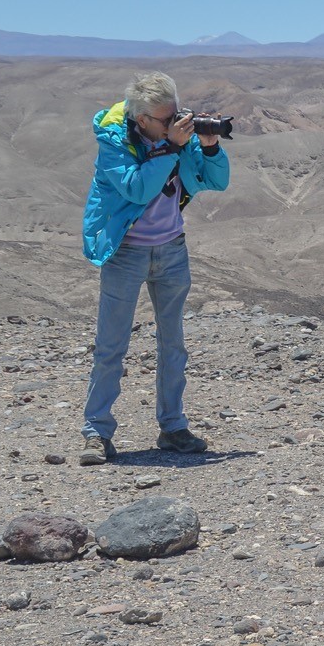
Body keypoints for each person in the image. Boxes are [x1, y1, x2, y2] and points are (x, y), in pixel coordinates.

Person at [79, 71, 230, 465]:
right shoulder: (115, 143)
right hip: (126, 253)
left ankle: (173, 427)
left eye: (176, 113)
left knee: (173, 343)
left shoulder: (178, 138)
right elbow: (138, 189)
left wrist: (209, 147)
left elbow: (217, 182)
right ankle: (96, 432)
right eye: (166, 118)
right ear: (142, 119)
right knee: (111, 346)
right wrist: (169, 147)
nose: (174, 122)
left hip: (171, 250)